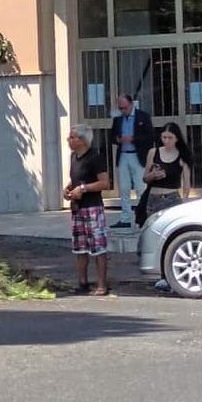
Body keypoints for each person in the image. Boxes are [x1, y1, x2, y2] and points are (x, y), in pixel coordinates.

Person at [63, 123, 110, 295]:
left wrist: (83, 189)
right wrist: (68, 189)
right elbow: (75, 178)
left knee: (98, 247)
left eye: (72, 137)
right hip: (77, 208)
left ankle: (102, 285)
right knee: (80, 247)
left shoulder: (95, 157)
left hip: (93, 208)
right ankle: (82, 283)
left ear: (82, 140)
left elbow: (105, 183)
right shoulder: (73, 157)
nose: (69, 140)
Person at [110, 93, 154, 229]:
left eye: (125, 108)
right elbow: (111, 136)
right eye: (120, 108)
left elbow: (150, 136)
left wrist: (133, 139)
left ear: (131, 104)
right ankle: (125, 218)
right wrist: (118, 140)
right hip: (123, 154)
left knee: (141, 187)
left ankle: (144, 217)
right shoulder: (118, 119)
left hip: (138, 155)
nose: (123, 111)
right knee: (124, 188)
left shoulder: (143, 116)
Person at [138, 122, 192, 224]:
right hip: (153, 198)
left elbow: (186, 182)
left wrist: (185, 199)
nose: (166, 141)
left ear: (177, 138)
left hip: (171, 198)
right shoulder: (153, 152)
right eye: (164, 137)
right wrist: (152, 175)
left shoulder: (182, 155)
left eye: (170, 138)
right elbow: (144, 178)